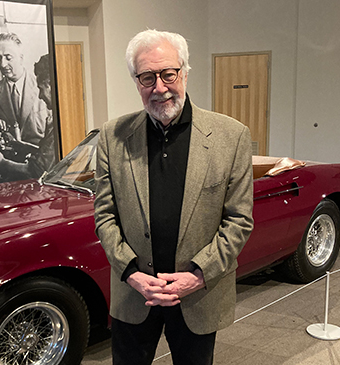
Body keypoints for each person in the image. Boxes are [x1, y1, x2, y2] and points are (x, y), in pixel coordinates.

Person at [94, 30, 254, 365]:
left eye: (169, 73)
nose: (160, 87)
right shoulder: (113, 137)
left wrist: (197, 275)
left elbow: (239, 220)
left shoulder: (232, 136)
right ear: (136, 81)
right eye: (147, 77)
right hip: (135, 294)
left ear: (184, 72)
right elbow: (105, 216)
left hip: (198, 295)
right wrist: (132, 273)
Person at [0, 54, 56, 180]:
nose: (40, 96)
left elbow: (38, 171)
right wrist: (25, 146)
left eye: (41, 89)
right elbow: (50, 153)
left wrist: (1, 162)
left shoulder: (58, 122)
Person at [0, 32, 50, 147]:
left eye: (8, 58)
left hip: (41, 158)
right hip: (8, 160)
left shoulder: (42, 86)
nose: (3, 64)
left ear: (21, 58)